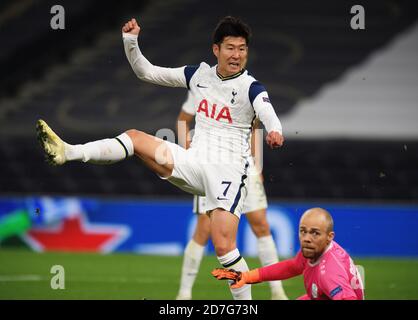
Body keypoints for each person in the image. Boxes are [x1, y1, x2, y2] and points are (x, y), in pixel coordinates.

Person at [36, 16, 284, 300]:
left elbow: (267, 113)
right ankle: (68, 152)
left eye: (242, 48)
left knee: (224, 248)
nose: (237, 55)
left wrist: (275, 130)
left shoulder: (252, 87)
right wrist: (131, 42)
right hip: (194, 162)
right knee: (134, 137)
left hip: (228, 173)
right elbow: (147, 72)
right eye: (230, 48)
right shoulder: (198, 75)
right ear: (216, 49)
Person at [176, 94, 288, 300]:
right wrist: (189, 156)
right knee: (204, 228)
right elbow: (183, 120)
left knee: (261, 224)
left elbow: (254, 127)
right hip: (209, 166)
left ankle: (277, 292)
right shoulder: (201, 86)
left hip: (244, 166)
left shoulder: (246, 88)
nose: (235, 59)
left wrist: (257, 161)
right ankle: (184, 293)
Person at [212, 208, 365, 300]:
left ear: (329, 236)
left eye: (314, 233)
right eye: (303, 231)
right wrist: (247, 277)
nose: (306, 239)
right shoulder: (317, 249)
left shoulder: (329, 272)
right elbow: (293, 267)